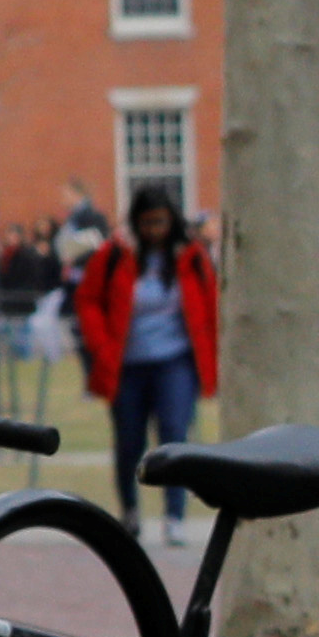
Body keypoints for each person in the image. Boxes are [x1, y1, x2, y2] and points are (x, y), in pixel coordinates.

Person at [74, 185, 220, 527]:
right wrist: (103, 345)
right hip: (126, 365)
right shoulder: (114, 254)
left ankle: (175, 514)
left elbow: (210, 305)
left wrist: (212, 359)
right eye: (147, 222)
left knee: (174, 433)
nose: (154, 230)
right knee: (129, 441)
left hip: (176, 361)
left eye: (161, 222)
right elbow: (88, 299)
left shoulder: (191, 255)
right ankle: (130, 510)